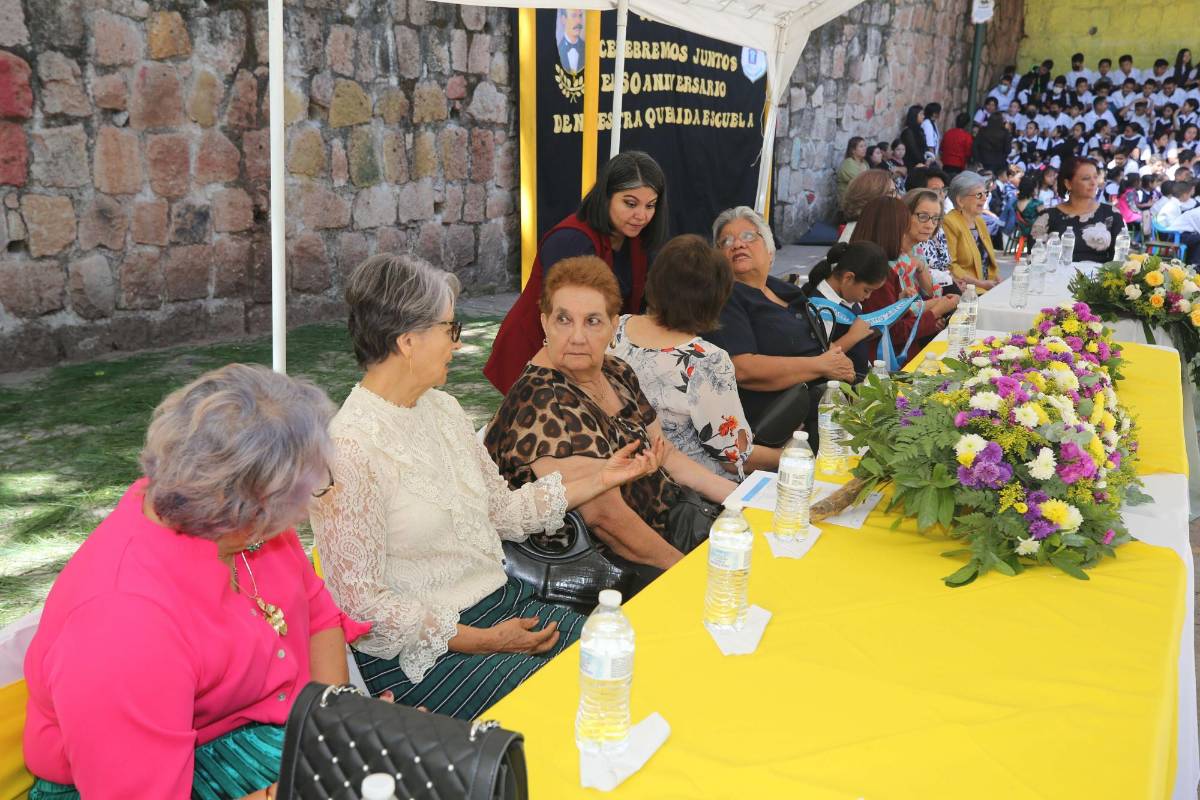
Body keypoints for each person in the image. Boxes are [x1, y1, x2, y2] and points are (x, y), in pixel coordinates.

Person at [310, 254, 665, 716]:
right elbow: (360, 607)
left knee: (629, 663)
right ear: (408, 341)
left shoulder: (443, 410)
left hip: (500, 606)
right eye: (450, 330)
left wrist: (601, 477)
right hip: (425, 654)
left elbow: (505, 513)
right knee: (578, 702)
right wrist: (484, 641)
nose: (456, 345)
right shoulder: (349, 449)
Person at [23, 364, 369, 800]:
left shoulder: (224, 511)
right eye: (308, 492)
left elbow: (318, 617)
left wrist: (336, 725)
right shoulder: (123, 625)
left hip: (256, 733)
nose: (303, 512)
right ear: (249, 509)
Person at [487, 256, 737, 574]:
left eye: (592, 321)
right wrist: (687, 572)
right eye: (564, 320)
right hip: (610, 563)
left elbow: (666, 453)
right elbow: (606, 520)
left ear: (613, 326)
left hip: (673, 523)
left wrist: (743, 498)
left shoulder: (615, 369)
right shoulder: (542, 402)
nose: (577, 336)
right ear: (545, 323)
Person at [483, 150, 668, 395]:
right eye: (630, 203)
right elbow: (563, 316)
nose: (641, 215)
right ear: (606, 197)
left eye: (650, 205)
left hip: (584, 350)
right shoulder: (571, 240)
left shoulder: (637, 241)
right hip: (538, 349)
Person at [607, 234, 778, 477]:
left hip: (618, 470)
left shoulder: (614, 328)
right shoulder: (705, 360)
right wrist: (789, 453)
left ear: (654, 280)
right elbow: (734, 457)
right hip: (688, 489)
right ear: (715, 299)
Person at [707, 206, 856, 433]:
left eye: (748, 236)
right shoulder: (727, 298)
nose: (737, 244)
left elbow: (815, 344)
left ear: (769, 250)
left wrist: (837, 361)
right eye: (726, 241)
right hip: (781, 421)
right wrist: (821, 365)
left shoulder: (785, 290)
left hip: (824, 403)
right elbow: (743, 369)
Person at [852, 197, 959, 361]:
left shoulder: (879, 262)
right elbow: (892, 331)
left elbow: (893, 314)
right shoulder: (877, 270)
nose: (929, 225)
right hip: (888, 360)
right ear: (890, 230)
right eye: (904, 228)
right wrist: (935, 311)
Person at [800, 241, 891, 375]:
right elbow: (821, 359)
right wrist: (853, 336)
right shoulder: (820, 308)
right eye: (866, 290)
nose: (868, 297)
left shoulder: (848, 297)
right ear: (848, 278)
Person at [1031, 157, 1125, 263]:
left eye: (1095, 177)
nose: (1094, 183)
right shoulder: (1047, 217)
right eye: (1086, 178)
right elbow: (1035, 259)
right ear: (1068, 184)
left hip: (1101, 278)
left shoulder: (1111, 214)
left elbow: (1120, 260)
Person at [942, 171, 1000, 290]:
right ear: (960, 200)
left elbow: (987, 260)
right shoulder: (950, 222)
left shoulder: (979, 221)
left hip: (987, 287)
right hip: (967, 291)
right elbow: (951, 265)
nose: (985, 199)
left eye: (986, 193)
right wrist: (980, 283)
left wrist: (995, 278)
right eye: (979, 195)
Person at [908, 167, 953, 273]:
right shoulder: (909, 230)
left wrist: (955, 280)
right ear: (916, 193)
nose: (942, 195)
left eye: (944, 190)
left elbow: (946, 266)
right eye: (936, 190)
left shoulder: (938, 222)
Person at [839, 168, 898, 242]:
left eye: (895, 192)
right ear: (870, 197)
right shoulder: (859, 239)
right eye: (890, 193)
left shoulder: (872, 229)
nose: (898, 198)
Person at [837, 137, 870, 209]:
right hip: (850, 203)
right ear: (853, 150)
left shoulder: (865, 163)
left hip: (861, 200)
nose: (864, 148)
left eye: (865, 146)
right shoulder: (848, 163)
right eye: (861, 146)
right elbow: (861, 183)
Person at [1015, 173, 1044, 241]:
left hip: (1021, 231)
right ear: (1032, 189)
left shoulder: (1016, 202)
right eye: (1036, 187)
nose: (1037, 189)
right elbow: (1046, 218)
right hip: (1034, 234)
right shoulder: (1036, 204)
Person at [899, 105, 928, 170]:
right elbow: (914, 151)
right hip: (912, 165)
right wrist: (924, 162)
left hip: (922, 162)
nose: (923, 117)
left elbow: (924, 147)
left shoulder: (920, 130)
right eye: (921, 114)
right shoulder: (908, 132)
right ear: (914, 115)